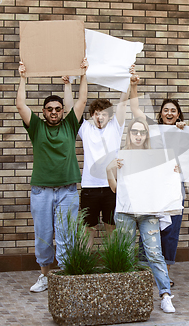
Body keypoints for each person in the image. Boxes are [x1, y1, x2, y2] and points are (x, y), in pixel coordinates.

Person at [16, 58, 89, 293]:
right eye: (50, 109)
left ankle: (65, 276)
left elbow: (82, 101)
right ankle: (45, 276)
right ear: (44, 112)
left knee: (66, 233)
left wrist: (84, 75)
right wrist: (23, 78)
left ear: (62, 111)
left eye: (58, 109)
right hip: (41, 190)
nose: (55, 112)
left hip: (67, 190)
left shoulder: (70, 126)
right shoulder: (36, 127)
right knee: (44, 235)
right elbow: (20, 105)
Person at [106, 117, 177, 313]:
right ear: (129, 134)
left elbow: (164, 182)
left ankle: (165, 295)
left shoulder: (154, 157)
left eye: (142, 132)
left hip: (148, 212)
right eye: (134, 131)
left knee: (154, 253)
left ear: (146, 136)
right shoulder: (121, 156)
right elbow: (114, 188)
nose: (138, 135)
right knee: (126, 253)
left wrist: (173, 173)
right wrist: (109, 169)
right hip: (126, 213)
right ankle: (127, 294)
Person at [129, 69, 186, 287]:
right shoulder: (151, 128)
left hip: (174, 188)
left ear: (178, 115)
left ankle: (165, 274)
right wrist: (134, 85)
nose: (169, 113)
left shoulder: (184, 131)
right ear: (160, 114)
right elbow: (135, 110)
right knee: (148, 227)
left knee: (171, 231)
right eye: (166, 110)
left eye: (173, 110)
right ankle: (147, 272)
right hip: (152, 188)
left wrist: (183, 130)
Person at [62, 74, 129, 248]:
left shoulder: (116, 126)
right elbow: (70, 109)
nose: (100, 117)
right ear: (92, 115)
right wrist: (68, 84)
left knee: (111, 228)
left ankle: (115, 268)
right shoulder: (85, 128)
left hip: (111, 188)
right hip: (89, 188)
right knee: (88, 230)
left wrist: (127, 80)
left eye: (104, 114)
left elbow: (123, 101)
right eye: (97, 114)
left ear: (109, 116)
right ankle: (86, 268)